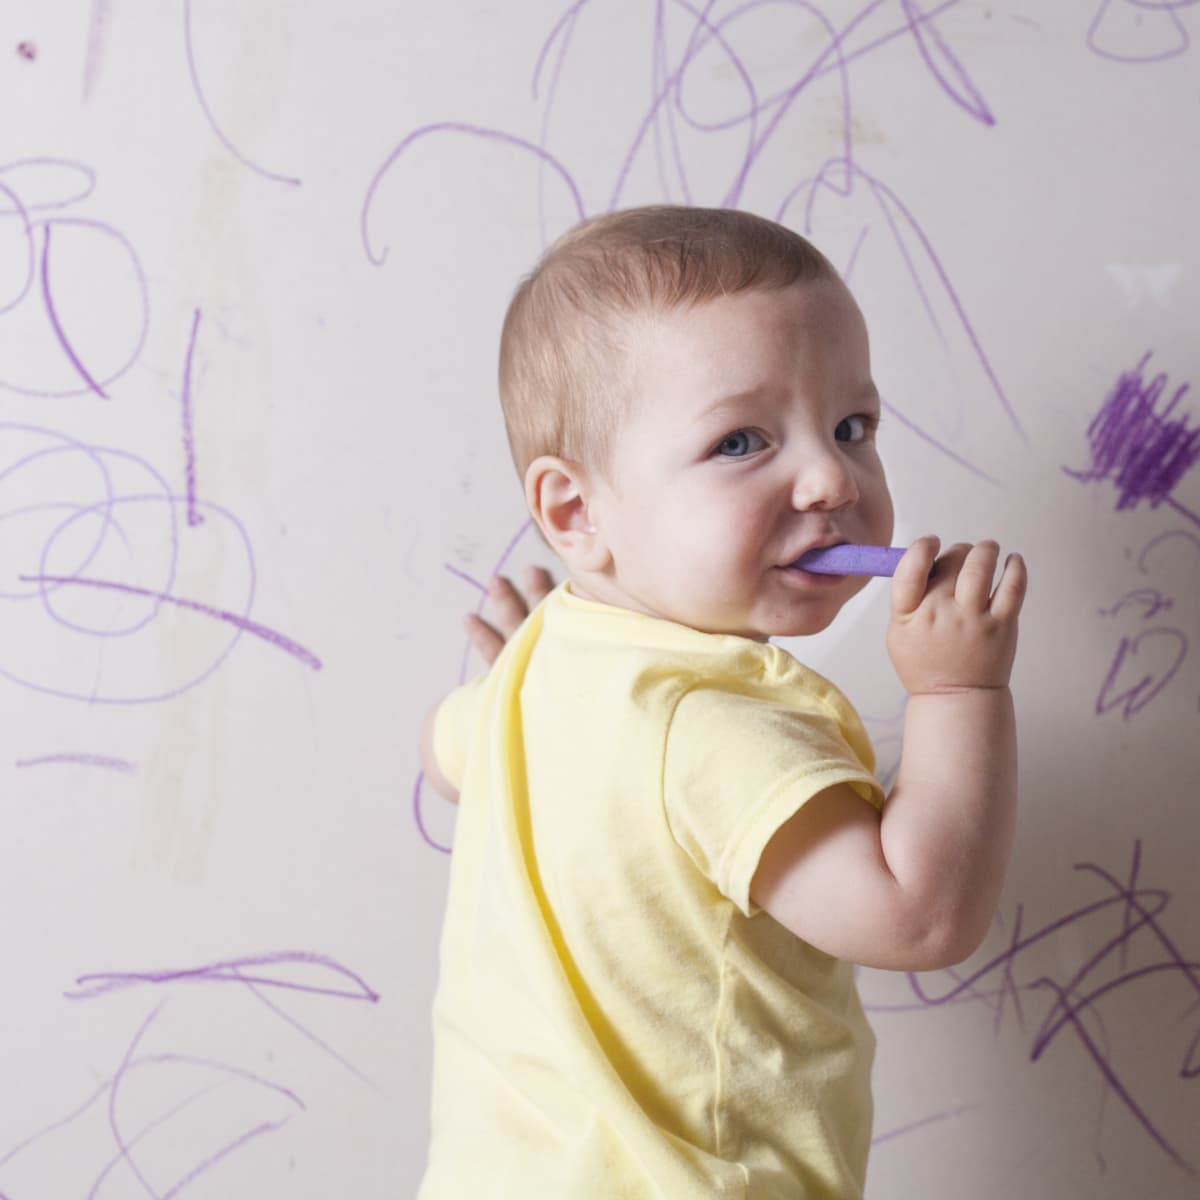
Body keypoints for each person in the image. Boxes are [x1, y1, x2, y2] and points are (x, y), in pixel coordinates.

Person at [416, 206, 1027, 1198]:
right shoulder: (711, 723)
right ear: (575, 512)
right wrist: (960, 688)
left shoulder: (544, 672)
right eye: (742, 441)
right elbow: (919, 919)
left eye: (852, 426)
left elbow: (443, 757)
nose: (831, 476)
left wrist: (506, 681)